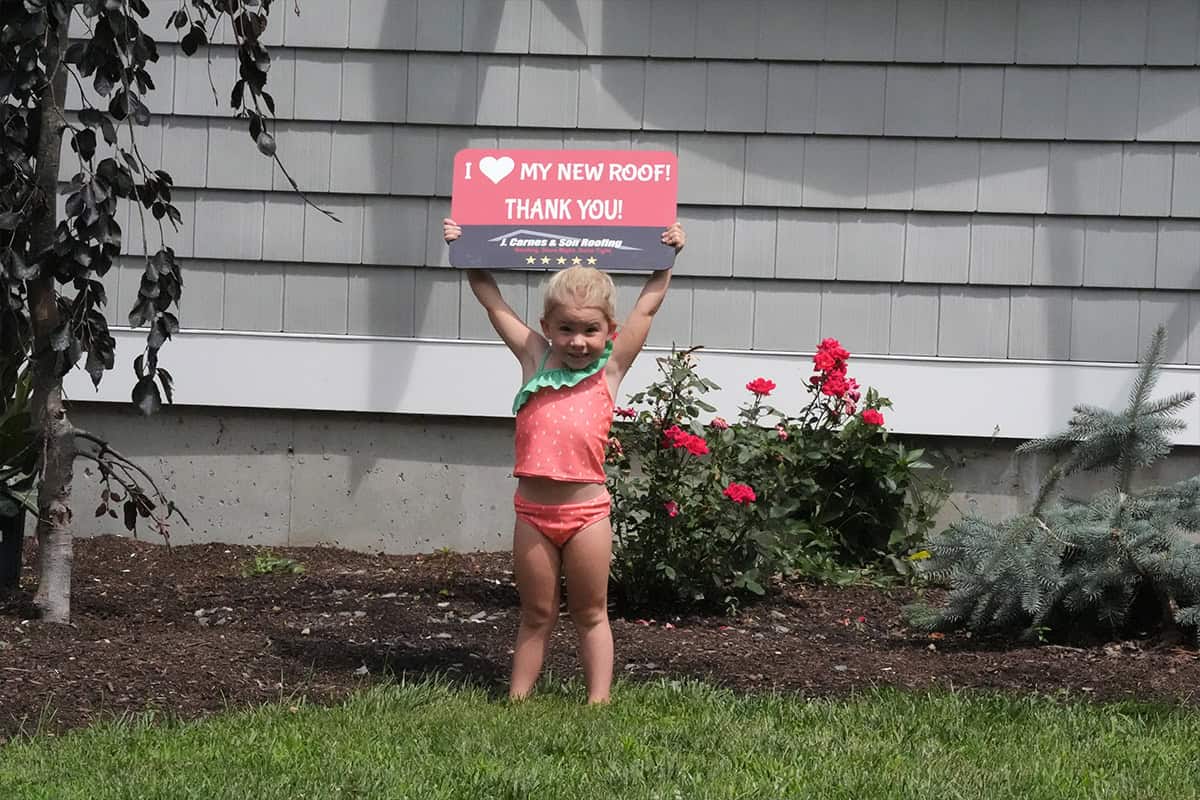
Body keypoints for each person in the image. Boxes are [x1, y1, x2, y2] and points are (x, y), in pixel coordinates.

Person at [442, 217, 685, 704]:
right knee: (536, 613)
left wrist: (667, 259)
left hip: (587, 514)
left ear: (609, 330)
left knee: (591, 612)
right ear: (547, 327)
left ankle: (598, 701)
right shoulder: (534, 357)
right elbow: (493, 303)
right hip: (532, 514)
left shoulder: (610, 368)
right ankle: (517, 699)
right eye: (566, 329)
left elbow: (647, 307)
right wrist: (466, 248)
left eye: (591, 330)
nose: (578, 341)